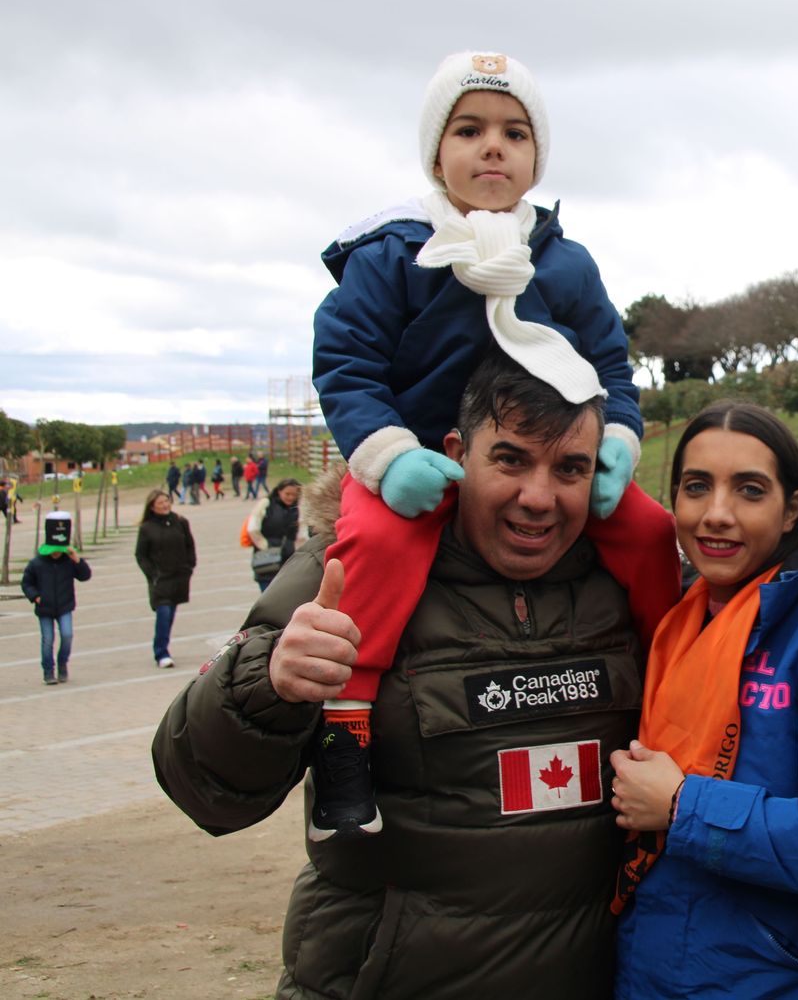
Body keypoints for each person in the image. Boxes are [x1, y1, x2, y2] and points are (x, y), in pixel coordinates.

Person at [152, 350, 643, 999]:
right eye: (511, 459)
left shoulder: (635, 578)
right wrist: (268, 683)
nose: (538, 497)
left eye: (570, 468)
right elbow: (204, 790)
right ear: (456, 453)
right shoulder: (351, 571)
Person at [308, 49, 678, 841]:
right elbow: (346, 365)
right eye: (469, 129)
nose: (492, 147)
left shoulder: (564, 261)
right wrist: (387, 457)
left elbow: (612, 363)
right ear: (435, 151)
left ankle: (674, 681)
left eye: (515, 133)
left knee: (650, 532)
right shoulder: (392, 254)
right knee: (369, 547)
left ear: (537, 157)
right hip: (420, 466)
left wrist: (616, 439)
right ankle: (346, 736)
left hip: (549, 463)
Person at [609, 402, 798, 999]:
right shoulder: (674, 612)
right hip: (654, 967)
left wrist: (680, 806)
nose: (717, 515)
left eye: (750, 491)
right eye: (696, 487)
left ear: (792, 510)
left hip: (786, 978)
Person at [22, 513, 91, 685]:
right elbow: (27, 583)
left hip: (64, 605)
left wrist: (78, 561)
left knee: (67, 635)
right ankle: (48, 670)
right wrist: (35, 596)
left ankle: (62, 664)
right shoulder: (37, 563)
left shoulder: (68, 561)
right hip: (44, 606)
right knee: (48, 639)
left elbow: (85, 576)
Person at [134, 489, 195, 669]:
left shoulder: (180, 522)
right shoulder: (146, 528)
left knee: (170, 615)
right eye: (160, 503)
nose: (164, 505)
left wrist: (189, 566)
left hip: (179, 577)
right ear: (152, 507)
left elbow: (189, 546)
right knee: (163, 613)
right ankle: (161, 652)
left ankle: (163, 646)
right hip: (160, 579)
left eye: (166, 501)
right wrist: (152, 574)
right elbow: (140, 555)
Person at [247, 478, 304, 591]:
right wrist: (265, 545)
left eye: (294, 495)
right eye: (287, 494)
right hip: (267, 558)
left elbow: (302, 534)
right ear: (279, 491)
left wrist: (299, 551)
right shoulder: (266, 504)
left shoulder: (298, 508)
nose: (291, 497)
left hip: (289, 559)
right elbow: (252, 528)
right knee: (267, 596)